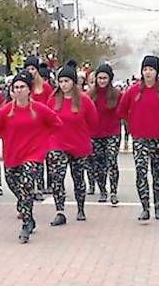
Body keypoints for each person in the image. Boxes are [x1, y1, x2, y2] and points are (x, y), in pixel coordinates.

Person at [0, 71, 62, 244]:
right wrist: (4, 135)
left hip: (33, 155)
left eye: (22, 87)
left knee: (27, 184)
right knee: (15, 186)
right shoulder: (6, 110)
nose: (19, 90)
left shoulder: (39, 109)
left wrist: (44, 140)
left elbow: (56, 123)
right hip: (12, 155)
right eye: (16, 87)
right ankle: (27, 211)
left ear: (29, 90)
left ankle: (26, 223)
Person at [47, 64, 98, 226]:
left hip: (78, 145)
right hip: (57, 144)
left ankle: (81, 208)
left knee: (78, 178)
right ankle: (60, 210)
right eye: (61, 81)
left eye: (67, 81)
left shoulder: (84, 100)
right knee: (57, 177)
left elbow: (93, 121)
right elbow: (46, 121)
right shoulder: (53, 100)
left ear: (74, 82)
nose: (63, 84)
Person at [117, 55, 159, 221]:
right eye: (145, 69)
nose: (148, 72)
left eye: (151, 69)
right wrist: (132, 124)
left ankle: (158, 206)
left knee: (158, 174)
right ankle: (144, 207)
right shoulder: (134, 91)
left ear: (156, 71)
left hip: (158, 138)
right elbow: (121, 111)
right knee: (141, 172)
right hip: (140, 138)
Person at [88, 63, 122, 205]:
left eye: (105, 78)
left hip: (112, 133)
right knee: (98, 164)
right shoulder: (90, 95)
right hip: (95, 134)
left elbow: (123, 112)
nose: (102, 81)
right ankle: (102, 190)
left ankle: (113, 191)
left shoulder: (117, 95)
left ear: (110, 79)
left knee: (112, 161)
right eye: (100, 78)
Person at [24, 55, 54, 199]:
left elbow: (50, 106)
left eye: (33, 69)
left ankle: (41, 186)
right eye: (28, 69)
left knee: (41, 158)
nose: (30, 72)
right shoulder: (24, 86)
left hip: (42, 128)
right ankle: (31, 186)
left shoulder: (45, 87)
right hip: (27, 128)